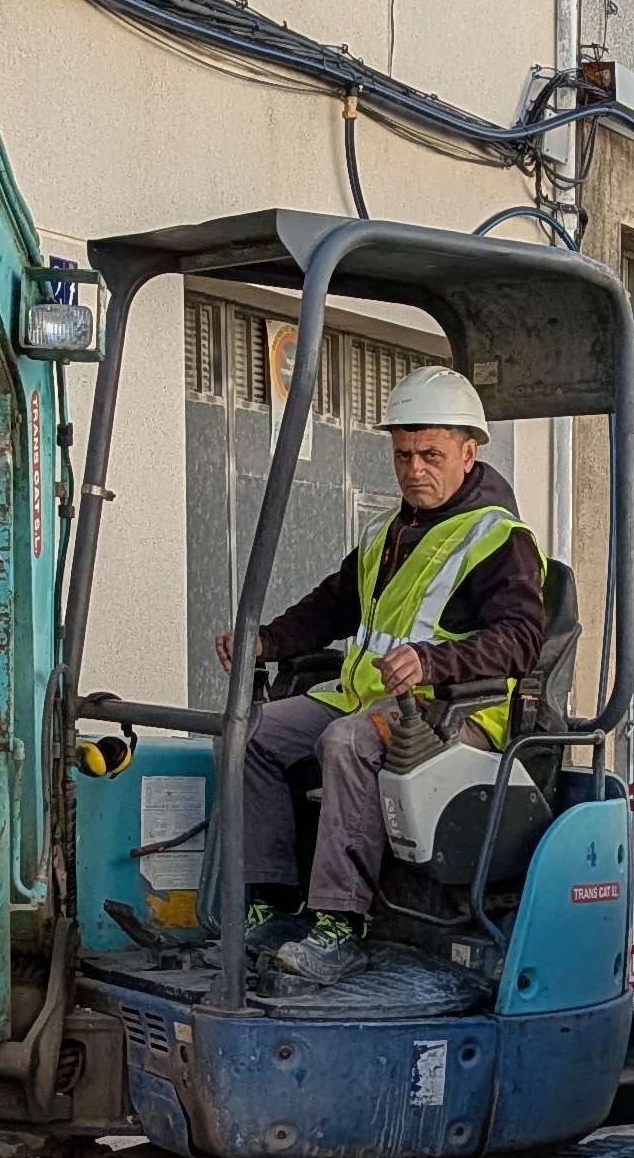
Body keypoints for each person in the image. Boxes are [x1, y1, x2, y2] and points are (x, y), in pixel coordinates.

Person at [213, 366, 544, 985]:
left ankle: (340, 925)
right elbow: (332, 606)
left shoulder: (499, 539)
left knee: (348, 743)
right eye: (403, 455)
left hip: (459, 713)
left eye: (431, 455)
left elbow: (521, 640)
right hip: (369, 700)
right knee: (248, 733)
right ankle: (275, 903)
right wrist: (267, 641)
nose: (414, 469)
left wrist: (432, 662)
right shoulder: (387, 533)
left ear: (469, 454)